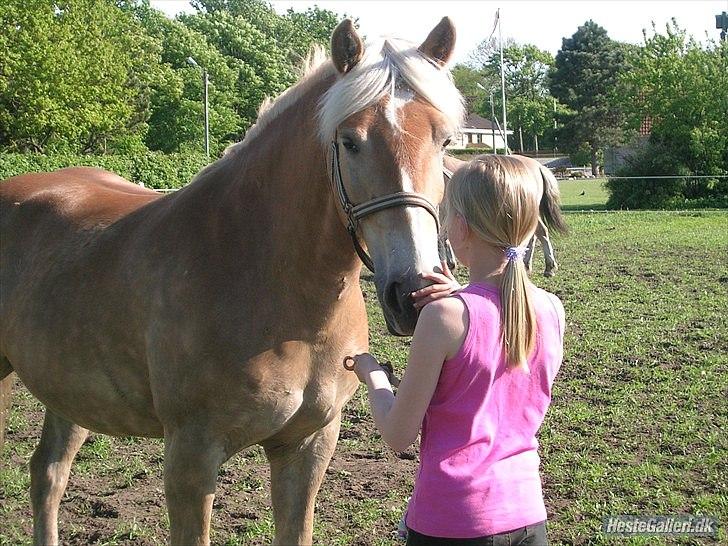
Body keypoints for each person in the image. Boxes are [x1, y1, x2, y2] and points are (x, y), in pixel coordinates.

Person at [348, 155, 565, 546]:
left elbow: (398, 434)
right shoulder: (551, 309)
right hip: (529, 517)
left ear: (460, 228)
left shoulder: (444, 317)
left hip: (452, 522)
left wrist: (373, 375)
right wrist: (463, 294)